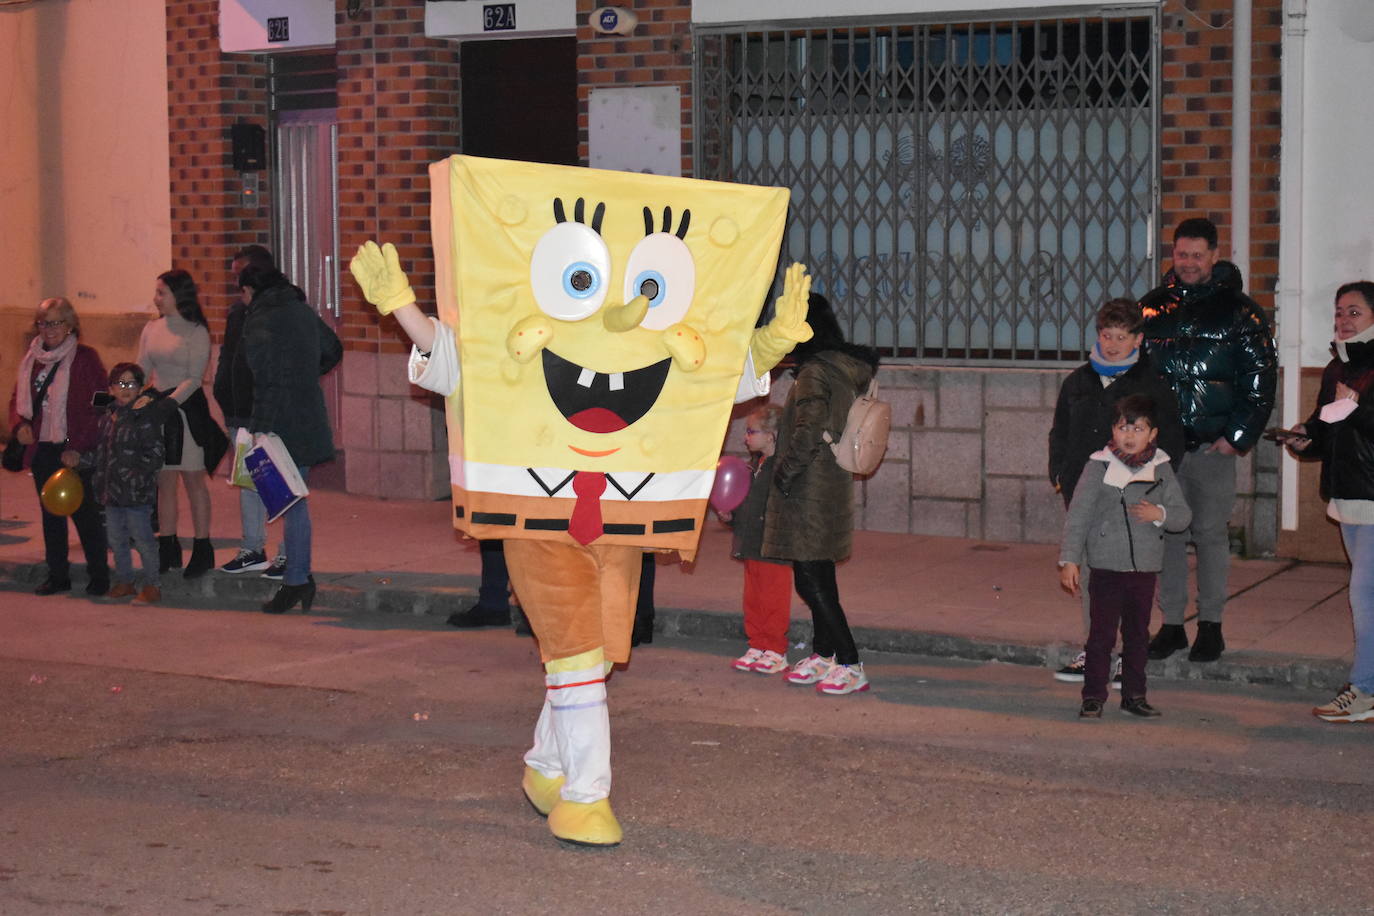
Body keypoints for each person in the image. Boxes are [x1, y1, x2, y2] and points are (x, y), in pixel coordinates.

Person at [1140, 217, 1277, 662]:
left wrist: (1235, 439)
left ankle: (1212, 625)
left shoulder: (1242, 312)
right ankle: (1173, 624)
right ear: (1172, 255)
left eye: (1198, 255)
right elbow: (1135, 375)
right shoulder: (1152, 310)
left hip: (1212, 448)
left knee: (1210, 535)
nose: (1189, 263)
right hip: (1164, 451)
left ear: (1214, 256)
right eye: (1182, 254)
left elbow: (1260, 379)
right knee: (1167, 535)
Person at [1047, 298, 1185, 682]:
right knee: (1093, 577)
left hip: (1132, 498)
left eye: (1121, 338)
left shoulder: (1151, 386)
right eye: (1106, 336)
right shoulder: (1078, 381)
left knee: (1130, 579)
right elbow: (1060, 431)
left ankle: (1128, 653)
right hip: (1085, 490)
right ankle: (1096, 651)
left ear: (1138, 340)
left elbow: (1171, 441)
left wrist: (1152, 489)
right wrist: (1059, 472)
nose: (1111, 345)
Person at [766, 293, 879, 697]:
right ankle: (823, 653)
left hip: (809, 486)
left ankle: (849, 662)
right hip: (827, 482)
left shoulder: (815, 371)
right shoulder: (839, 366)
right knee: (817, 573)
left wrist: (783, 473)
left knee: (812, 579)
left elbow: (809, 429)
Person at [1059, 394, 1192, 719]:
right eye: (1123, 428)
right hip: (1105, 566)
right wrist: (1070, 560)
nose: (1129, 436)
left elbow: (1182, 515)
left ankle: (1134, 694)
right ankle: (1093, 696)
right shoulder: (1098, 465)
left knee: (1137, 635)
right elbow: (1078, 515)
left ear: (1153, 434)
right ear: (1113, 430)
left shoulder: (1160, 467)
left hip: (1144, 568)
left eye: (1138, 429)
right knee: (1101, 635)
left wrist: (1158, 513)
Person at [1282, 281, 1374, 723]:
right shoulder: (1338, 367)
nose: (1343, 320)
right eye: (1340, 312)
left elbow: (1361, 420)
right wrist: (1305, 439)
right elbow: (1326, 428)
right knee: (1366, 593)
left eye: (1354, 312)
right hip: (1348, 494)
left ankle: (1365, 690)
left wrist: (1359, 410)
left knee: (1364, 595)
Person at [238, 263, 339, 614]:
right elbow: (333, 348)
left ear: (251, 290)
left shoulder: (261, 318)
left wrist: (259, 429)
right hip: (307, 414)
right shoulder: (299, 309)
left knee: (292, 505)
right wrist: (308, 374)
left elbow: (265, 378)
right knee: (295, 502)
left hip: (281, 422)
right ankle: (297, 577)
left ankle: (297, 579)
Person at [8, 297, 110, 595]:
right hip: (42, 448)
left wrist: (78, 446)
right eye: (43, 322)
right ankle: (58, 574)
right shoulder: (32, 359)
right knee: (50, 514)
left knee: (85, 515)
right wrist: (19, 425)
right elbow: (17, 398)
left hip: (74, 449)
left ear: (70, 325)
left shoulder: (86, 358)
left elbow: (101, 404)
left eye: (55, 322)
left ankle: (99, 575)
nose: (49, 329)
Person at [139, 270, 226, 579]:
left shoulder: (196, 331)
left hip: (186, 412)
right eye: (157, 292)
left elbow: (194, 376)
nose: (156, 298)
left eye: (162, 292)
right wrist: (124, 394)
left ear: (179, 295)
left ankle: (202, 548)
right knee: (164, 483)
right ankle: (168, 545)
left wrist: (170, 402)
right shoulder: (151, 329)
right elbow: (141, 370)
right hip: (159, 412)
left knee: (193, 480)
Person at [88, 363, 179, 605]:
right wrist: (82, 462)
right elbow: (100, 451)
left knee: (143, 540)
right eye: (120, 383)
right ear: (111, 388)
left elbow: (156, 454)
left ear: (141, 387)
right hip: (111, 491)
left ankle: (152, 585)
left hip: (136, 493)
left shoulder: (144, 417)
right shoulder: (107, 417)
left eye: (131, 384)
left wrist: (137, 477)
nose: (125, 389)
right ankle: (125, 581)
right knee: (116, 539)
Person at [214, 244, 279, 577]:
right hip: (239, 411)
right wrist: (222, 389)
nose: (235, 282)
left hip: (266, 412)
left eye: (240, 274)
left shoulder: (278, 311)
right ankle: (252, 548)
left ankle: (289, 552)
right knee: (247, 480)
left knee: (278, 482)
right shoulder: (237, 312)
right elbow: (230, 356)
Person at [726, 403, 794, 674]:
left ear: (771, 435)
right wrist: (729, 515)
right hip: (751, 541)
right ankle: (757, 643)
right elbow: (745, 503)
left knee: (773, 597)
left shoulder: (782, 468)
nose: (746, 437)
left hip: (773, 544)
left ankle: (776, 649)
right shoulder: (755, 465)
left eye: (752, 431)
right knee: (753, 597)